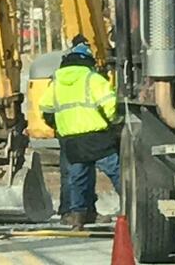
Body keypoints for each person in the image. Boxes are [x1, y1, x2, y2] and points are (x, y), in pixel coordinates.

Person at [40, 41, 120, 230]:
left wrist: (60, 126)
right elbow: (110, 105)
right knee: (117, 172)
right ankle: (133, 206)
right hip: (97, 137)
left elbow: (45, 109)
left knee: (77, 178)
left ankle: (77, 219)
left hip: (72, 140)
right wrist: (113, 124)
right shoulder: (93, 79)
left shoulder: (56, 81)